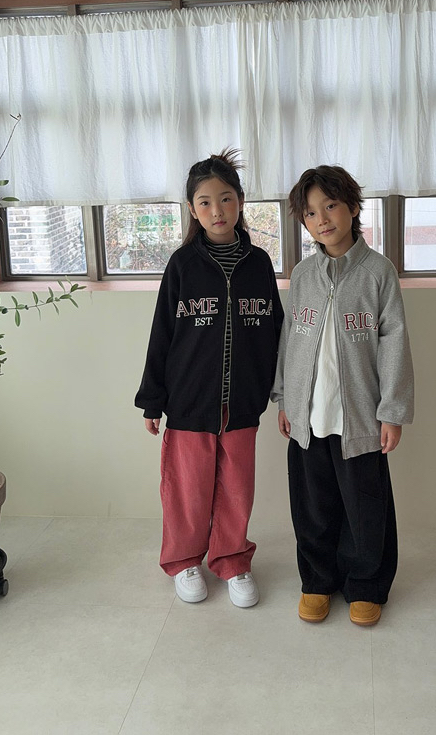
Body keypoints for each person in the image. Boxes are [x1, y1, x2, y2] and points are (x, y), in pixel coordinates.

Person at [135, 149, 283, 608]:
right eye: (205, 202)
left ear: (240, 202)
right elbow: (162, 334)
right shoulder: (182, 265)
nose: (217, 210)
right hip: (188, 404)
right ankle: (184, 560)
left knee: (237, 490)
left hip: (242, 405)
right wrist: (153, 399)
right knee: (187, 491)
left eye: (225, 198)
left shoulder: (259, 264)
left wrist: (279, 392)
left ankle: (232, 560)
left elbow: (276, 332)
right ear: (192, 210)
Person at [272, 166, 413, 626]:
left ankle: (366, 585)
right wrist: (285, 399)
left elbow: (394, 342)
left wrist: (391, 411)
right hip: (309, 417)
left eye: (330, 206)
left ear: (352, 206)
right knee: (312, 508)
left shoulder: (378, 273)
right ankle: (317, 581)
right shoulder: (303, 274)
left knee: (364, 509)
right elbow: (290, 339)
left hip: (360, 418)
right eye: (311, 213)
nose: (322, 219)